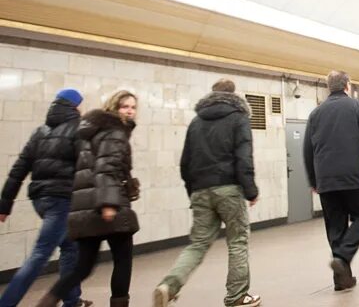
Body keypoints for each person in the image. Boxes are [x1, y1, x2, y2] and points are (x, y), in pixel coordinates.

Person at [152, 79, 260, 307]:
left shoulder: (196, 122)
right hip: (228, 188)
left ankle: (168, 286)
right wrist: (250, 190)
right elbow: (243, 157)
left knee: (198, 244)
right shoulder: (239, 118)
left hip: (200, 191)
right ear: (234, 95)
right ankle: (237, 296)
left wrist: (194, 191)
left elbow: (185, 164)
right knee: (238, 241)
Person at [36, 90, 141, 307]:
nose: (130, 111)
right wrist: (109, 203)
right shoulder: (115, 131)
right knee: (123, 261)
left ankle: (46, 302)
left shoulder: (89, 130)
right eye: (125, 106)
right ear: (114, 108)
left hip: (84, 206)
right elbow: (106, 167)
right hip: (108, 204)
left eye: (133, 107)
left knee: (83, 267)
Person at [0, 89, 92, 307]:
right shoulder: (78, 129)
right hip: (61, 200)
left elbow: (18, 169)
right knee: (41, 254)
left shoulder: (39, 132)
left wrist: (5, 204)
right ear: (75, 106)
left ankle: (72, 299)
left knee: (71, 247)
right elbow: (87, 165)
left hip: (40, 200)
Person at [303, 71, 359, 292]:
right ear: (347, 86)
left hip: (326, 181)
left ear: (330, 88)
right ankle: (342, 255)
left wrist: (313, 179)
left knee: (335, 227)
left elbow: (308, 150)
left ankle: (342, 280)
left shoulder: (315, 114)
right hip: (354, 177)